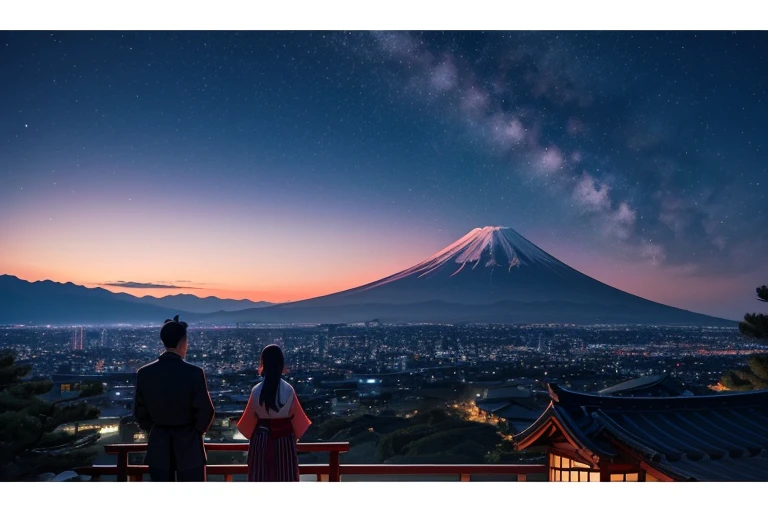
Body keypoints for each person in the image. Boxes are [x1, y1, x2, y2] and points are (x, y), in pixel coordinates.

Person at [132, 315, 215, 482]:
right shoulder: (194, 373)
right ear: (182, 341)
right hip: (189, 446)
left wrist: (155, 429)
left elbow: (139, 412)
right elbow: (206, 410)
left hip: (158, 445)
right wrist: (194, 432)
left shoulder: (144, 373)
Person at [236, 344, 311, 482]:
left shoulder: (256, 391)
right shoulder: (289, 390)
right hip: (284, 441)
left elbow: (246, 427)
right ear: (281, 363)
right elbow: (300, 423)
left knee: (260, 476)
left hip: (261, 440)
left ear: (263, 363)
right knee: (285, 476)